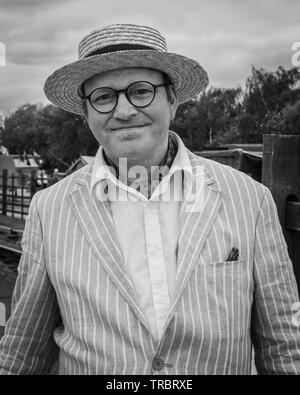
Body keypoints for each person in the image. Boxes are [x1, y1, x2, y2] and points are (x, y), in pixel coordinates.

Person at [0, 23, 299, 375]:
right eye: (103, 97)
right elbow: (23, 352)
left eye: (141, 91)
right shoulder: (49, 209)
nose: (124, 110)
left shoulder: (250, 200)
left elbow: (284, 345)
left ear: (172, 99)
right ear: (86, 112)